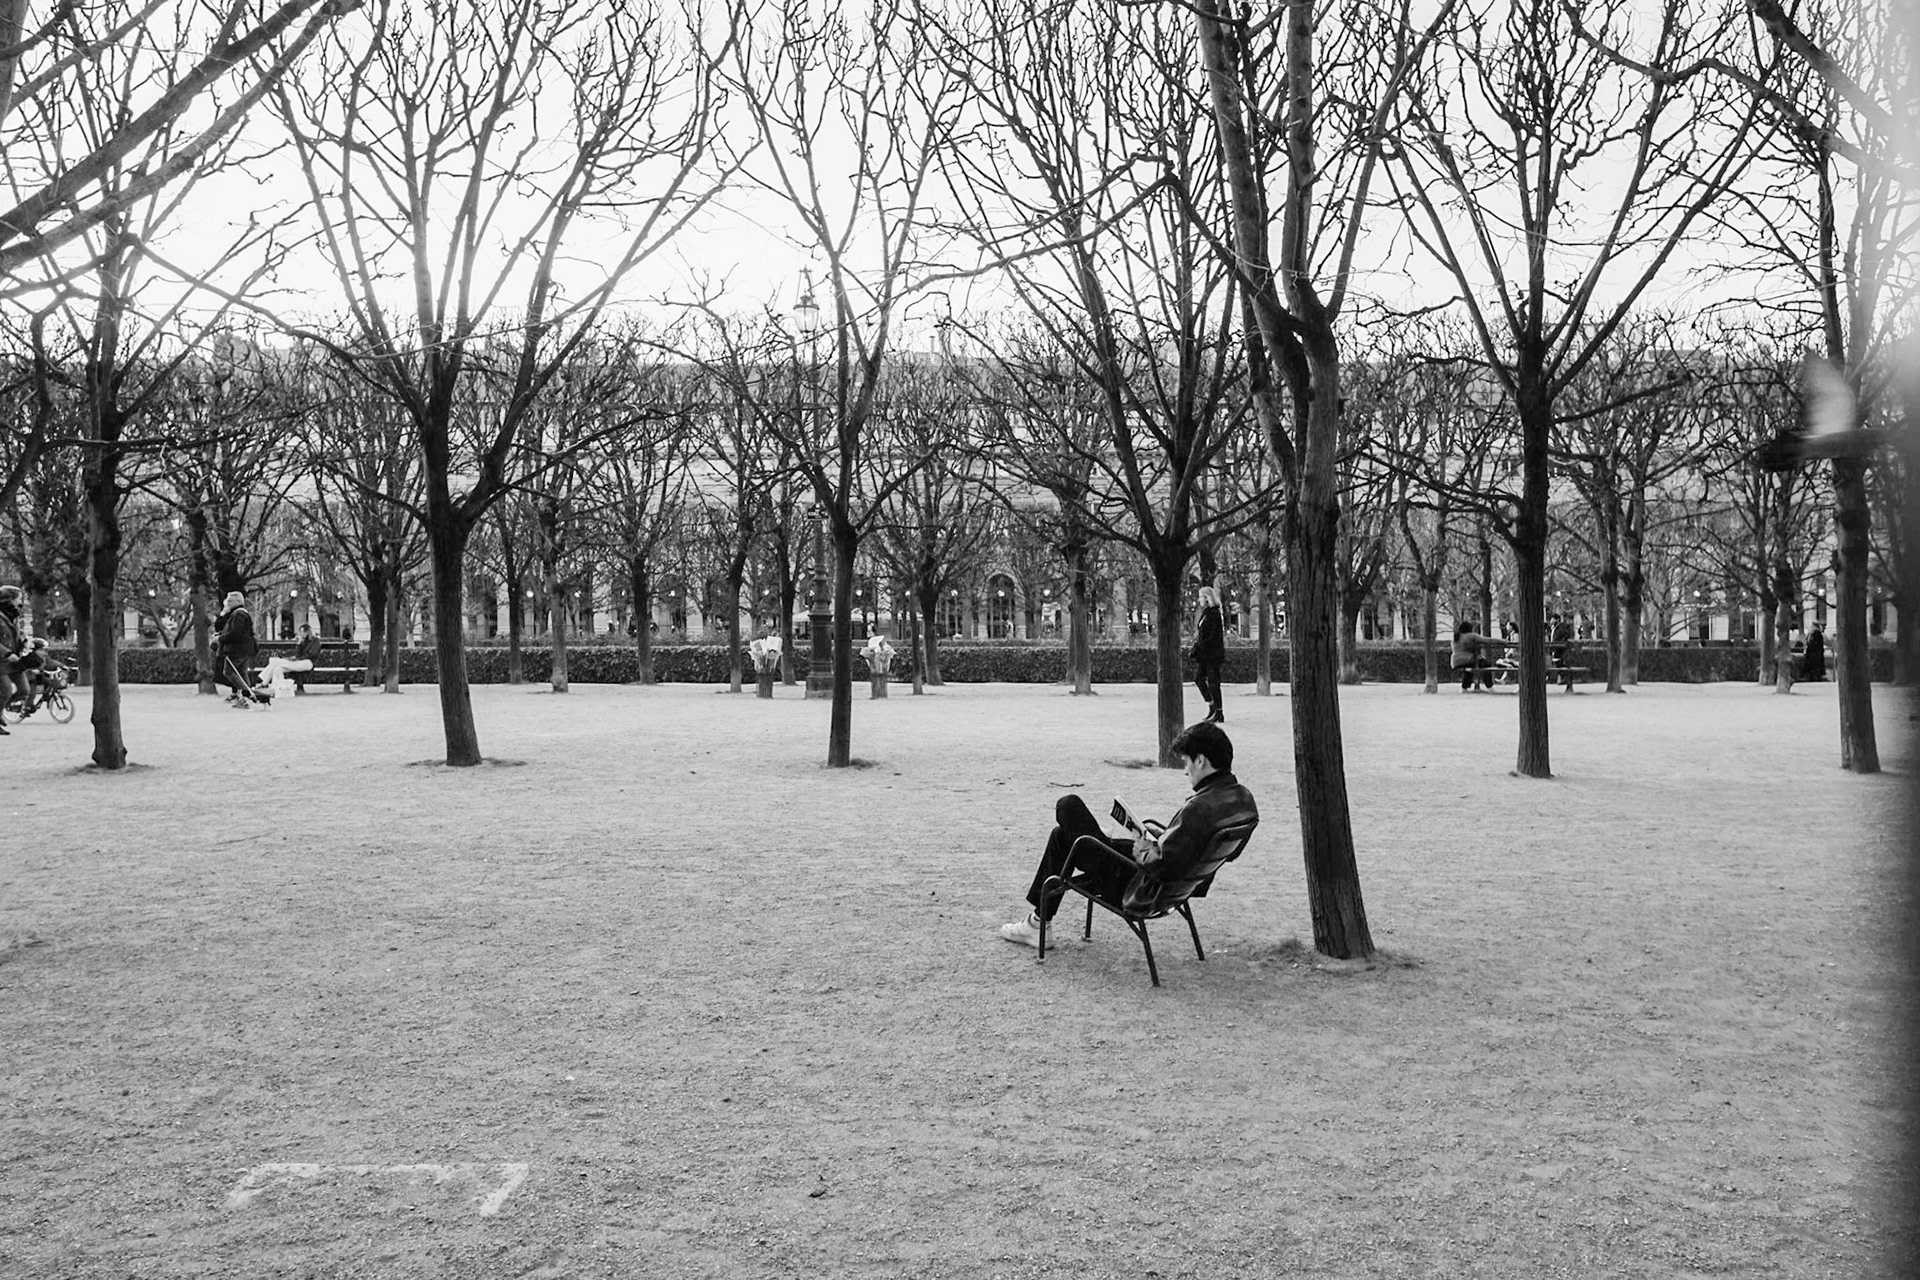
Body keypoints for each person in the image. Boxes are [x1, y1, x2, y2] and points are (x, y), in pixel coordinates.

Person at [999, 721, 1259, 947]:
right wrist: (1158, 838)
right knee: (1065, 837)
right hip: (1178, 885)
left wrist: (1142, 846)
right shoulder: (1243, 800)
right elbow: (1221, 853)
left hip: (1140, 889)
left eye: (1186, 762)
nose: (1185, 771)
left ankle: (1038, 922)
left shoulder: (1198, 808)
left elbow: (1159, 865)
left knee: (1068, 807)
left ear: (1200, 760)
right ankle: (1037, 921)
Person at [212, 590, 259, 706]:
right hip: (245, 649)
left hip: (237, 650)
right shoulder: (240, 613)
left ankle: (247, 694)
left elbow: (235, 633)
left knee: (229, 672)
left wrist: (220, 639)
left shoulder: (238, 614)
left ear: (237, 601)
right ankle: (245, 698)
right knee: (242, 673)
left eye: (229, 601)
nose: (226, 603)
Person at [1189, 584, 1226, 723]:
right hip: (1205, 654)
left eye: (1200, 597)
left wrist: (1200, 646)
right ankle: (1212, 706)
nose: (1199, 600)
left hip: (1212, 655)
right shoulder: (1206, 613)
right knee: (1199, 679)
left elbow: (1213, 636)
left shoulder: (1214, 614)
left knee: (1213, 683)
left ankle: (1219, 712)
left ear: (1206, 598)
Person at [259, 624, 323, 692]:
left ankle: (264, 682)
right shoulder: (302, 641)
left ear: (307, 632)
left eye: (302, 632)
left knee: (275, 662)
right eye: (300, 632)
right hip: (299, 662)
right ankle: (279, 688)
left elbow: (312, 654)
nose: (301, 634)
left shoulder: (316, 641)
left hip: (308, 663)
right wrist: (299, 644)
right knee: (277, 669)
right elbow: (297, 654)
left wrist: (298, 659)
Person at [0, 585, 26, 734]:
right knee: (6, 690)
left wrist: (23, 641)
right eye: (19, 598)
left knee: (24, 689)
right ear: (9, 599)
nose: (20, 602)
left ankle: (1, 710)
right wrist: (7, 653)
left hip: (15, 661)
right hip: (2, 660)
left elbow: (15, 635)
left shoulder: (14, 615)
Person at [1451, 619, 1493, 691]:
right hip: (1468, 660)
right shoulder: (1471, 636)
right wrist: (1504, 641)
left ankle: (1464, 687)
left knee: (1469, 669)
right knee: (1486, 664)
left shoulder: (1455, 637)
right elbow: (1488, 640)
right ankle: (1489, 686)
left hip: (1455, 662)